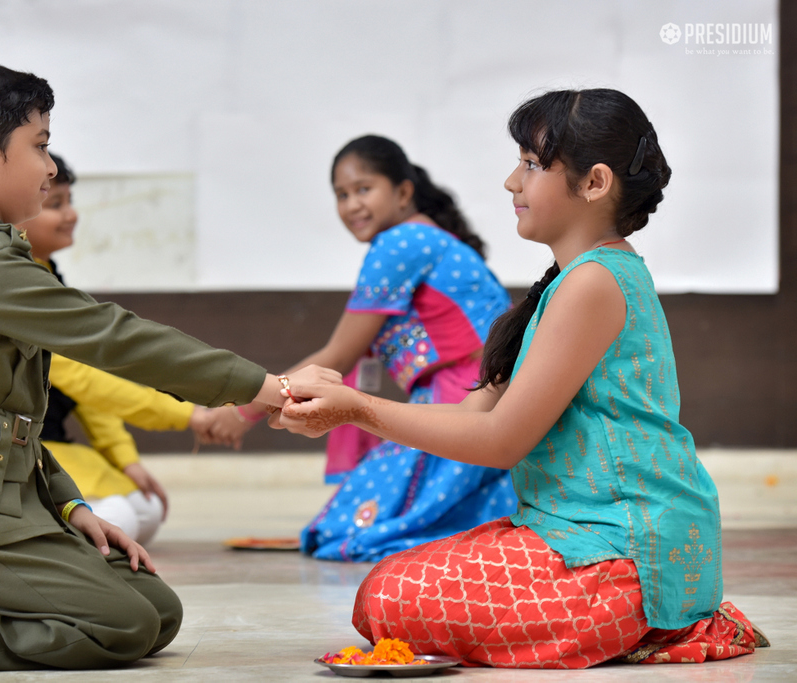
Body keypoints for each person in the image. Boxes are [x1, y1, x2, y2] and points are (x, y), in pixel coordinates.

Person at [0, 57, 338, 671]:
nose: (50, 167)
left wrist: (71, 508)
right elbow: (114, 338)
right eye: (40, 145)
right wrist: (268, 387)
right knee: (121, 625)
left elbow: (7, 416)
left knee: (155, 608)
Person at [278, 88, 769, 667]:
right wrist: (350, 404)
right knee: (387, 584)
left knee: (389, 597)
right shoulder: (572, 282)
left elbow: (502, 441)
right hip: (579, 534)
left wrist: (357, 409)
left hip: (626, 551)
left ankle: (667, 621)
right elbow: (473, 415)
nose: (512, 182)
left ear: (595, 183)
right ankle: (663, 614)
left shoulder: (593, 283)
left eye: (532, 165)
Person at [207, 135, 516, 563]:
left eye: (364, 189)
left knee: (343, 533)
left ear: (403, 192)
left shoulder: (400, 242)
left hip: (466, 405)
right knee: (340, 527)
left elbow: (338, 356)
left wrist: (243, 410)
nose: (352, 205)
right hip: (489, 402)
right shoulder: (425, 238)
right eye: (341, 195)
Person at [19, 152, 222, 545]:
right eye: (55, 204)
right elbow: (82, 376)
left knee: (146, 511)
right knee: (120, 517)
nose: (71, 214)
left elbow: (87, 389)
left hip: (52, 442)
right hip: (21, 446)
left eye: (69, 201)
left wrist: (124, 458)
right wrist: (189, 416)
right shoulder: (20, 282)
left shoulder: (48, 275)